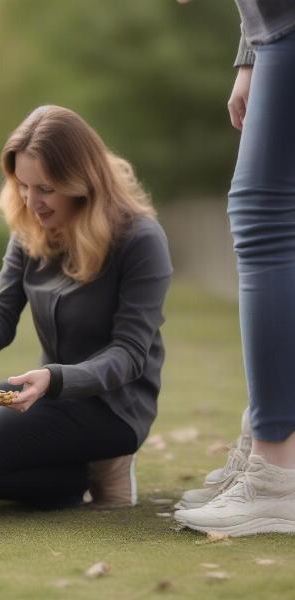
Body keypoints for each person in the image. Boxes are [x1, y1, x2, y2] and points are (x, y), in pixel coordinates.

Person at [0, 105, 173, 509]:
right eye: (23, 185)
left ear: (83, 181)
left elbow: (129, 355)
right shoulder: (31, 229)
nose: (31, 201)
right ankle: (69, 464)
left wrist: (53, 378)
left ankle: (84, 474)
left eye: (45, 188)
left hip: (112, 408)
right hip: (44, 390)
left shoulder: (140, 239)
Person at [175, 2, 295, 536]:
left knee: (263, 222)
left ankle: (277, 473)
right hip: (277, 35)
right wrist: (250, 57)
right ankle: (274, 447)